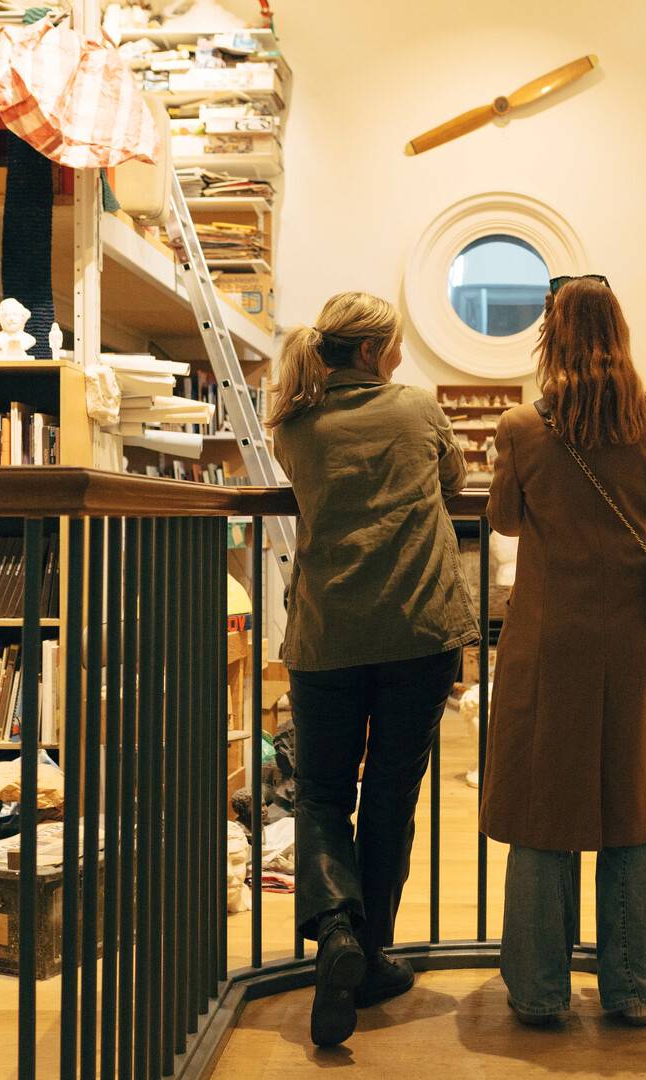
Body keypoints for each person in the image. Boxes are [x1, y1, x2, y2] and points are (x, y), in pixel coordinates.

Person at [481, 276, 646, 1027]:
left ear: (553, 337)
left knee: (545, 809)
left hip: (550, 640)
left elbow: (505, 520)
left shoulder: (521, 426)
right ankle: (633, 990)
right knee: (631, 806)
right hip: (636, 639)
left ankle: (540, 992)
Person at [269, 291, 479, 1048]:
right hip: (416, 632)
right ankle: (374, 953)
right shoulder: (418, 411)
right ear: (368, 353)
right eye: (392, 345)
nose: (397, 357)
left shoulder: (292, 424)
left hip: (326, 637)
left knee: (322, 792)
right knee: (391, 794)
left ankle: (335, 934)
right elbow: (452, 481)